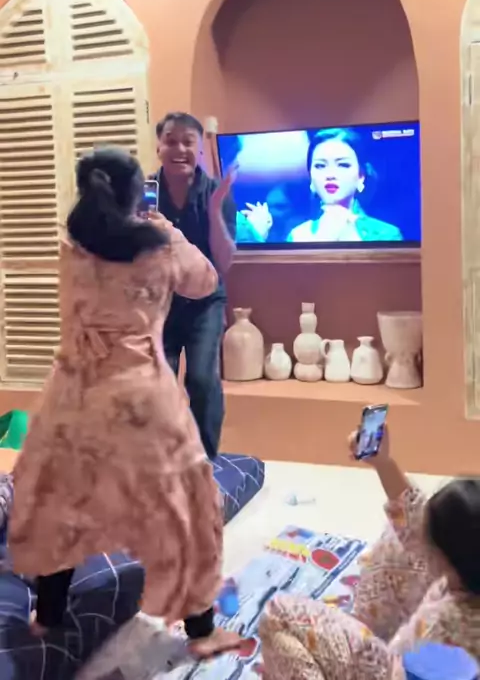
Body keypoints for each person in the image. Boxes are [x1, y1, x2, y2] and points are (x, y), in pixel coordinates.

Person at [8, 146, 241, 657]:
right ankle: (201, 631)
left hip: (73, 396)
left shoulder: (71, 248)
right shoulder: (159, 246)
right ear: (140, 194)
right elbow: (206, 281)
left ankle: (48, 617)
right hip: (141, 399)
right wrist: (169, 229)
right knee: (185, 508)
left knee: (62, 503)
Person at [259, 425, 480, 679]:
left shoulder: (445, 627)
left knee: (278, 614)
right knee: (398, 538)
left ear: (448, 561)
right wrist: (383, 463)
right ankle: (359, 631)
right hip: (406, 652)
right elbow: (415, 518)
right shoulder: (465, 573)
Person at [153, 112, 237, 459]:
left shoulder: (217, 192)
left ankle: (206, 460)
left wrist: (215, 210)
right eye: (170, 141)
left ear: (199, 149)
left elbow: (224, 262)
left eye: (188, 142)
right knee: (158, 383)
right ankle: (162, 459)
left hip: (206, 303)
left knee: (202, 380)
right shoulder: (142, 193)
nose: (179, 149)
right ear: (158, 148)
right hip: (160, 303)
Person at [288, 128, 403, 243]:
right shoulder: (297, 236)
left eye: (343, 165)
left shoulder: (386, 235)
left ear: (361, 176)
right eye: (320, 166)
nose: (330, 175)